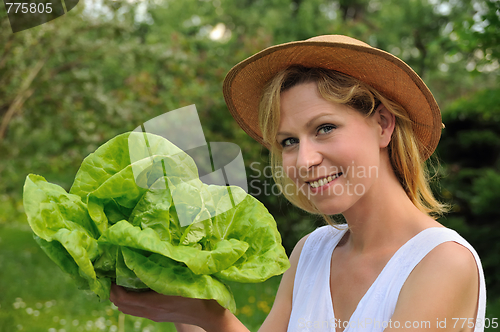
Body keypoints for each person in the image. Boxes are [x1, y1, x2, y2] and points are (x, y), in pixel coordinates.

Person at [109, 35, 486, 332]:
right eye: (288, 141)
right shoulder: (311, 252)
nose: (305, 160)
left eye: (325, 128)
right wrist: (181, 290)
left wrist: (216, 319)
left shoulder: (442, 263)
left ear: (383, 124)